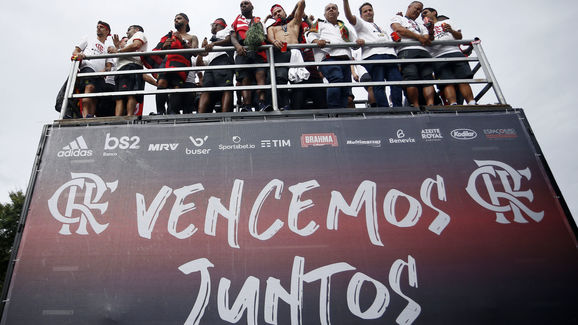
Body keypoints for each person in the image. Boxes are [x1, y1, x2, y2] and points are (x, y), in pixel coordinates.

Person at [342, 0, 403, 107]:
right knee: (378, 85)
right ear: (361, 15)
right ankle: (384, 109)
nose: (368, 12)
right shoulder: (361, 24)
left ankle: (398, 107)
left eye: (370, 10)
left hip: (390, 56)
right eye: (365, 11)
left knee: (397, 82)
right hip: (374, 56)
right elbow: (349, 17)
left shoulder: (381, 28)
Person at [421, 7, 476, 105]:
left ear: (434, 12)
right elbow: (427, 42)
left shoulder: (448, 22)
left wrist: (451, 30)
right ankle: (452, 103)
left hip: (454, 52)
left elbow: (459, 37)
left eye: (425, 12)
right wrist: (430, 31)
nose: (423, 15)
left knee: (463, 79)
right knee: (446, 82)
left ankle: (471, 102)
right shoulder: (422, 28)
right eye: (422, 15)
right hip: (437, 56)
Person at [306, 3, 355, 108]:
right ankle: (333, 110)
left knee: (345, 88)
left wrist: (359, 41)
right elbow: (310, 35)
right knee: (336, 79)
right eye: (328, 9)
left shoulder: (344, 27)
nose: (331, 10)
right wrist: (317, 41)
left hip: (346, 60)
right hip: (328, 58)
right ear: (324, 14)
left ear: (338, 12)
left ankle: (341, 113)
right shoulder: (319, 23)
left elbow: (354, 42)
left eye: (334, 8)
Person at [390, 1, 435, 107]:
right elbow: (399, 30)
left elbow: (427, 38)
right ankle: (415, 105)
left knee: (428, 79)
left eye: (420, 10)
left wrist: (426, 33)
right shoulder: (398, 18)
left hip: (424, 52)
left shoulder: (421, 24)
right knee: (411, 79)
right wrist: (419, 37)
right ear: (409, 7)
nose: (418, 11)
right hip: (407, 51)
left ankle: (431, 105)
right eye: (416, 8)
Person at [267, 1, 306, 110]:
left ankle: (297, 108)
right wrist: (274, 41)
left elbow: (301, 3)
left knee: (298, 80)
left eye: (279, 11)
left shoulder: (294, 22)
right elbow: (270, 37)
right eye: (275, 14)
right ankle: (285, 105)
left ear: (284, 11)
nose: (278, 14)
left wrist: (292, 13)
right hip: (282, 50)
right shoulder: (272, 27)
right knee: (280, 78)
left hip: (295, 50)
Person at [231, 0, 270, 111]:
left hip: (258, 51)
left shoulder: (259, 21)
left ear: (252, 6)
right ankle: (247, 106)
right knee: (245, 79)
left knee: (261, 77)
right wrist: (238, 46)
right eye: (241, 5)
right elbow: (233, 37)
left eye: (246, 3)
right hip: (242, 52)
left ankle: (262, 103)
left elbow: (265, 37)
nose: (243, 5)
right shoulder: (236, 21)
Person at [156, 13, 198, 115]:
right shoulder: (170, 35)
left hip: (181, 64)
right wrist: (164, 47)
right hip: (167, 62)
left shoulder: (192, 37)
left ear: (186, 22)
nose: (176, 20)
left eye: (179, 18)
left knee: (177, 87)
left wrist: (182, 42)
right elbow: (160, 52)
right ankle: (160, 112)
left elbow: (195, 52)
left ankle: (172, 112)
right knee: (161, 83)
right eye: (175, 19)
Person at [71, 21, 115, 118]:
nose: (98, 28)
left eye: (102, 27)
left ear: (107, 31)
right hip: (87, 67)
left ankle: (90, 116)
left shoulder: (107, 47)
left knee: (95, 97)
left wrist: (105, 71)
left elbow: (109, 65)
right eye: (97, 27)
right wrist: (79, 54)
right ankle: (85, 115)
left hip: (99, 74)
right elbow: (75, 51)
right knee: (89, 88)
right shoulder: (88, 38)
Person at [197, 18, 235, 113]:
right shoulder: (213, 39)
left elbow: (229, 39)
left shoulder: (226, 30)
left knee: (226, 87)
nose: (212, 27)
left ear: (217, 24)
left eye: (212, 25)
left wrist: (213, 43)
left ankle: (225, 114)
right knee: (206, 89)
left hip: (223, 59)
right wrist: (203, 49)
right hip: (211, 64)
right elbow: (201, 61)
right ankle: (201, 116)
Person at [109, 25, 148, 116]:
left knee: (131, 94)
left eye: (129, 29)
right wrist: (117, 47)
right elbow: (124, 51)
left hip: (131, 66)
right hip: (122, 69)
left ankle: (129, 116)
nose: (127, 32)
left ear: (136, 29)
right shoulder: (129, 41)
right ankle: (118, 118)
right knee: (119, 97)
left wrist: (118, 50)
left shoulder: (139, 34)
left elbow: (136, 45)